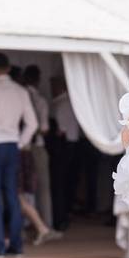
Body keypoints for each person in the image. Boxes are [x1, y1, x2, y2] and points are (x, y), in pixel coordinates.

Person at [0, 52, 38, 258]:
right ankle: (16, 244)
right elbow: (33, 123)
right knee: (12, 195)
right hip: (13, 145)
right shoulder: (21, 91)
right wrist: (21, 142)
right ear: (9, 68)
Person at [23, 65, 53, 229]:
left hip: (23, 146)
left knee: (23, 188)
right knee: (43, 187)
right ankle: (45, 223)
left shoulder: (20, 96)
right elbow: (45, 128)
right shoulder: (41, 100)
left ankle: (28, 222)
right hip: (38, 145)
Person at [49, 76, 79, 232]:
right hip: (74, 144)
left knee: (59, 184)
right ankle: (66, 213)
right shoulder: (74, 103)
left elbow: (60, 130)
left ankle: (60, 218)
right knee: (68, 182)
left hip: (63, 146)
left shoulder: (59, 105)